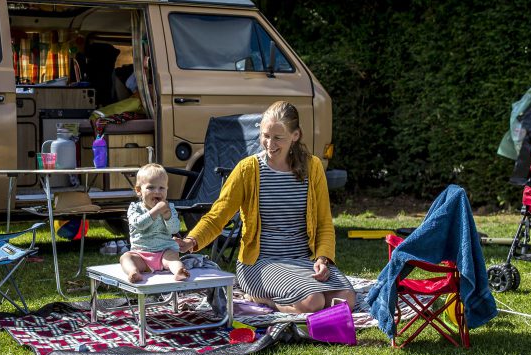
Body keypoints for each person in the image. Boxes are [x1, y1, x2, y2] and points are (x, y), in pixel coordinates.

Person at [176, 101, 356, 314]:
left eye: (278, 138)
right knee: (313, 302)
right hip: (260, 264)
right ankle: (266, 302)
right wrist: (191, 241)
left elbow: (324, 222)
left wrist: (323, 259)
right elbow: (217, 215)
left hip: (303, 260)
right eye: (265, 136)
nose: (270, 144)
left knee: (345, 300)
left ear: (295, 136)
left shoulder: (313, 167)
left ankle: (298, 300)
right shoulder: (248, 170)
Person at [120, 163, 190, 283]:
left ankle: (179, 271)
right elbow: (139, 224)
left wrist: (167, 215)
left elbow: (174, 230)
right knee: (125, 257)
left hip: (164, 252)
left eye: (161, 188)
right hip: (140, 254)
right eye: (151, 187)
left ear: (167, 189)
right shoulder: (134, 208)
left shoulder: (169, 208)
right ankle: (134, 272)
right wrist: (156, 211)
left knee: (173, 256)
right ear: (139, 190)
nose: (157, 192)